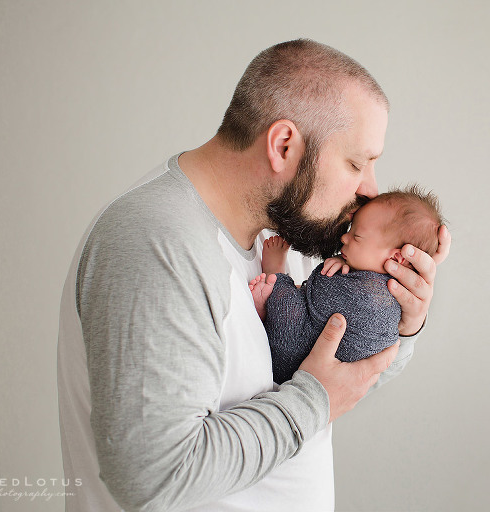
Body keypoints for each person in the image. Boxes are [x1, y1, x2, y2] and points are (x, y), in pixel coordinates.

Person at [57, 39, 450, 512]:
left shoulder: (292, 238)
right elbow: (155, 477)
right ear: (284, 145)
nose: (370, 189)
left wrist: (402, 317)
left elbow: (340, 375)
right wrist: (313, 402)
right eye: (355, 163)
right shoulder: (155, 242)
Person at [249, 186, 444, 384]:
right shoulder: (375, 282)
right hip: (308, 374)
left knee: (288, 305)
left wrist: (410, 328)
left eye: (356, 237)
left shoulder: (374, 297)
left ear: (396, 257)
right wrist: (346, 262)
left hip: (292, 356)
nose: (344, 237)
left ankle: (274, 274)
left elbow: (321, 293)